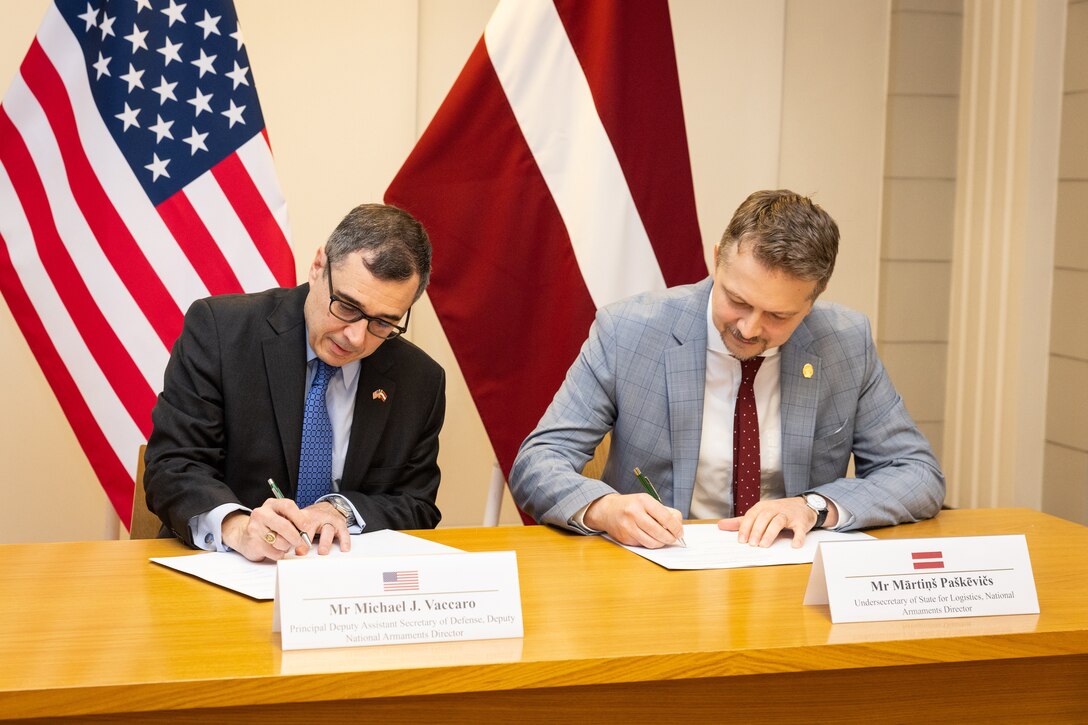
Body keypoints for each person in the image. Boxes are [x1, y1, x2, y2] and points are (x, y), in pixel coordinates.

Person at [510, 190, 944, 549]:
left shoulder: (844, 344)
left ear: (811, 302)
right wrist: (603, 508)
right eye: (737, 300)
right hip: (656, 578)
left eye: (778, 316)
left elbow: (917, 474)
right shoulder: (628, 332)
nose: (749, 328)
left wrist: (814, 505)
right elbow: (537, 463)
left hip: (790, 581)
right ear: (716, 259)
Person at [145, 203, 445, 561]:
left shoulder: (419, 380)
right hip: (226, 571)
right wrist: (238, 527)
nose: (356, 337)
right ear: (318, 266)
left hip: (345, 593)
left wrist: (342, 510)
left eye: (383, 323)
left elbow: (416, 504)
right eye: (347, 306)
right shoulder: (221, 331)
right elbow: (173, 467)